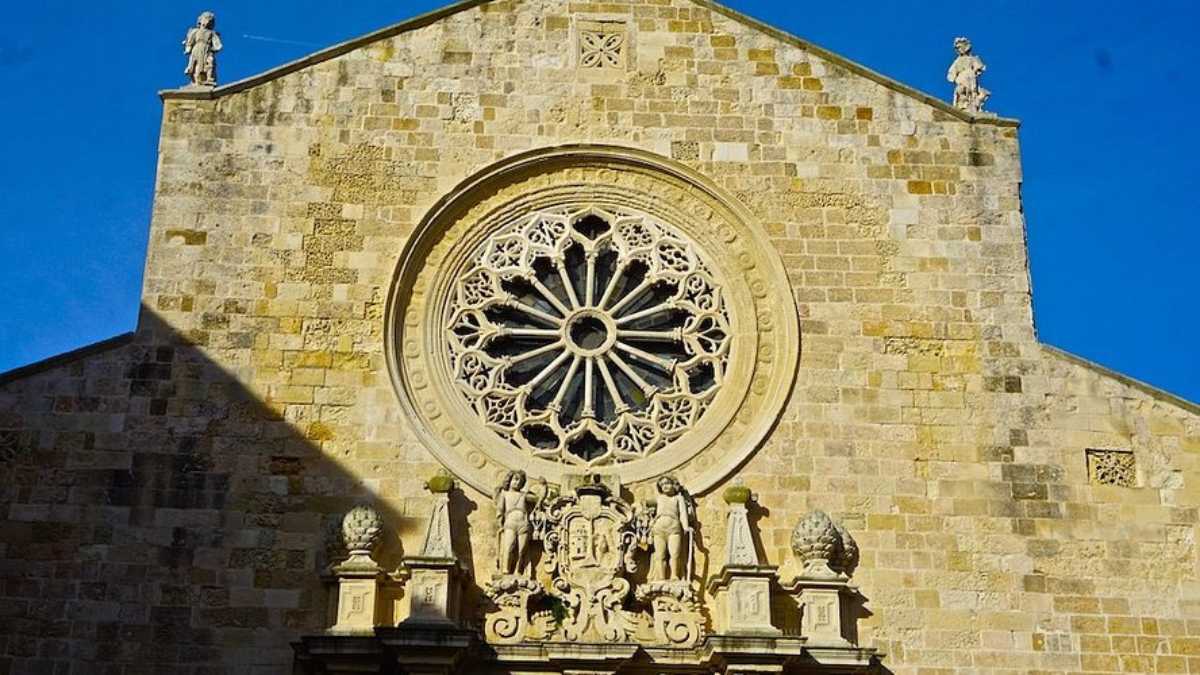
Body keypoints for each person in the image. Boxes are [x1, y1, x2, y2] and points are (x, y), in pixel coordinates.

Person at [650, 476, 694, 581]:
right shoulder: (658, 498)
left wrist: (686, 527)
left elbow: (683, 513)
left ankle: (674, 575)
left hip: (674, 527)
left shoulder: (678, 498)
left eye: (667, 483)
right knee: (660, 554)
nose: (665, 486)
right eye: (662, 485)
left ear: (674, 485)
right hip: (659, 528)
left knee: (674, 553)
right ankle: (661, 577)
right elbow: (643, 504)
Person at [495, 470, 533, 576]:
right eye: (515, 480)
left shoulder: (524, 495)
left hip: (523, 523)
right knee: (509, 547)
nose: (517, 483)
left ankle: (518, 570)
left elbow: (537, 499)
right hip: (510, 523)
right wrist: (500, 523)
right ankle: (506, 570)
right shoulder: (504, 494)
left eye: (520, 481)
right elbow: (500, 510)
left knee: (522, 550)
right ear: (509, 480)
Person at [947, 37, 989, 113]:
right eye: (957, 48)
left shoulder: (972, 58)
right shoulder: (957, 61)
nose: (958, 49)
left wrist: (975, 70)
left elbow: (979, 67)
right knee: (961, 92)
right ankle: (962, 106)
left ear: (965, 47)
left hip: (971, 77)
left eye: (960, 47)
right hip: (961, 78)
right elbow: (951, 73)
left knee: (973, 92)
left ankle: (973, 106)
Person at [184, 12, 223, 87]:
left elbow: (217, 44)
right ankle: (196, 82)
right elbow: (190, 41)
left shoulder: (211, 33)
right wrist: (188, 48)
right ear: (200, 20)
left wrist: (214, 48)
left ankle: (209, 79)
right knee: (196, 66)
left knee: (210, 62)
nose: (207, 21)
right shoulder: (195, 31)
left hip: (207, 50)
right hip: (197, 49)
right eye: (206, 18)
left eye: (210, 20)